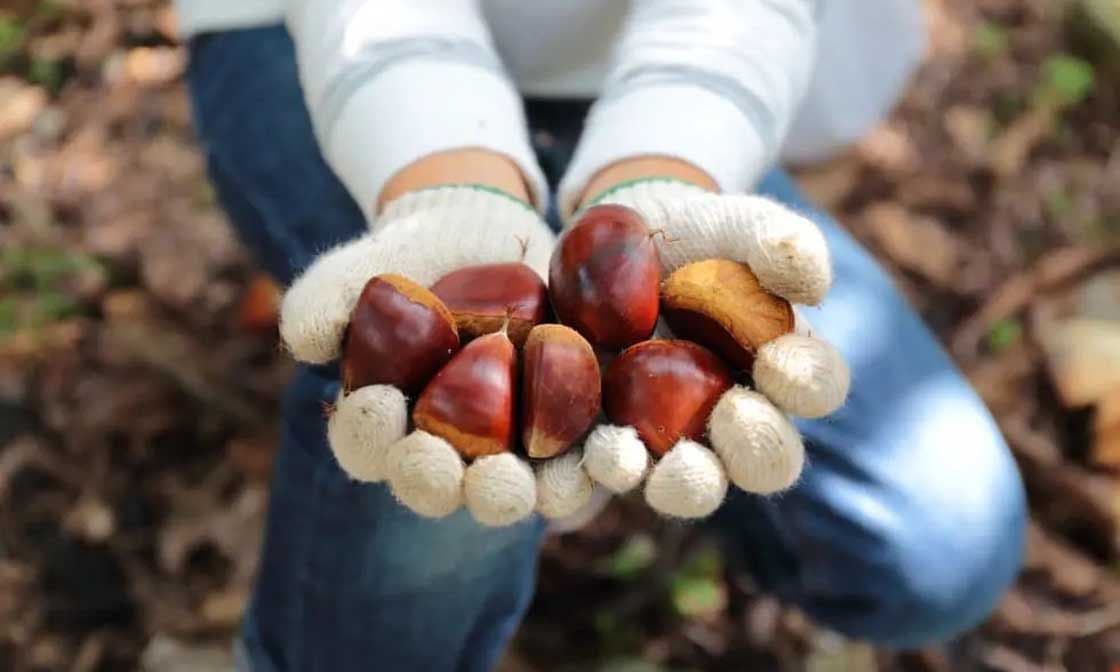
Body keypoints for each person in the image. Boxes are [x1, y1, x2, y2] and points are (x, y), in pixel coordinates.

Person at [177, 1, 1028, 670]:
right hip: (307, 40)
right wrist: (447, 186)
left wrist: (659, 172)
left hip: (628, 73)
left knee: (944, 535)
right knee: (451, 483)